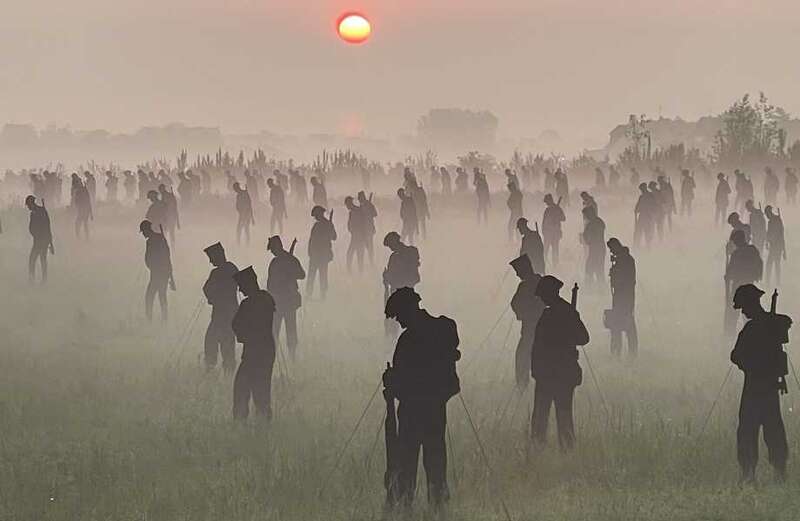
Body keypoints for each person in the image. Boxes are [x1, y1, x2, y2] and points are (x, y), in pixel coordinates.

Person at [382, 288, 460, 510]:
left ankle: (405, 508)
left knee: (406, 464)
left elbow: (405, 379)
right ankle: (438, 508)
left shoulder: (409, 339)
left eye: (399, 315)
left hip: (412, 412)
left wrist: (391, 382)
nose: (399, 321)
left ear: (409, 309)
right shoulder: (443, 328)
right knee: (435, 461)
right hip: (436, 409)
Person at [730, 284, 791, 483]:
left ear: (750, 304)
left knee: (748, 429)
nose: (743, 311)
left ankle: (749, 474)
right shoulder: (774, 324)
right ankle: (778, 472)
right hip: (770, 387)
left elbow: (736, 356)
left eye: (744, 307)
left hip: (754, 386)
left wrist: (749, 365)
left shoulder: (751, 329)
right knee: (773, 428)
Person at [531, 275, 590, 450]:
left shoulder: (562, 313)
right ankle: (553, 450)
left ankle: (552, 450)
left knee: (552, 415)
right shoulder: (564, 312)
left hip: (554, 372)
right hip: (555, 372)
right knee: (553, 415)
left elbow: (583, 338)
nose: (541, 298)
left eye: (543, 295)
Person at [231, 266, 277, 420]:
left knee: (242, 387)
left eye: (242, 287)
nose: (241, 290)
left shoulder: (248, 304)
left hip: (253, 353)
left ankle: (241, 422)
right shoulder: (267, 298)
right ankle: (263, 423)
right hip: (267, 351)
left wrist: (243, 336)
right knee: (262, 388)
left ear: (248, 284)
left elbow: (236, 324)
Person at [202, 242, 239, 373]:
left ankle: (211, 368)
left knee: (211, 341)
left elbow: (206, 288)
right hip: (232, 314)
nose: (211, 261)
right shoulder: (232, 268)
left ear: (218, 256)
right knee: (227, 344)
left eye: (212, 258)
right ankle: (228, 372)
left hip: (220, 315)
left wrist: (212, 299)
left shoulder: (216, 273)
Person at [267, 236, 306, 358]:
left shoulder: (290, 260)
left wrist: (290, 274)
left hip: (287, 301)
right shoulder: (276, 262)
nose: (272, 252)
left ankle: (292, 356)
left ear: (277, 246)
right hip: (278, 302)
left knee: (290, 330)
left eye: (272, 249)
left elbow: (302, 275)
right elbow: (269, 285)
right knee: (275, 331)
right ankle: (274, 356)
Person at [510, 255, 544, 390]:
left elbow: (515, 303)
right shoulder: (541, 281)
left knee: (522, 358)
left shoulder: (524, 285)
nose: (517, 274)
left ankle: (522, 386)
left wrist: (523, 313)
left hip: (530, 330)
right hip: (541, 330)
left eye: (518, 271)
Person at [724, 230, 763, 338]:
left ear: (738, 240)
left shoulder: (737, 254)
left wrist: (728, 277)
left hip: (738, 287)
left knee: (733, 314)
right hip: (750, 286)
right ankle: (751, 336)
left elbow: (730, 273)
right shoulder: (752, 250)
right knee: (750, 314)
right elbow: (759, 266)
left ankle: (730, 336)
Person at [382, 232, 421, 336]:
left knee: (406, 322)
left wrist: (388, 278)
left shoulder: (409, 253)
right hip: (400, 293)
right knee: (396, 323)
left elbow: (412, 275)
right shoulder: (407, 253)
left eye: (390, 245)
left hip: (404, 294)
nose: (390, 248)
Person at [606, 238, 638, 357]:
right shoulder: (623, 259)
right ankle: (617, 351)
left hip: (625, 297)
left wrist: (614, 271)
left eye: (612, 249)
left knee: (627, 324)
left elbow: (624, 279)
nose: (611, 252)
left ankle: (629, 352)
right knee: (618, 323)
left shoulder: (626, 260)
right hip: (620, 296)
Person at [140, 220, 174, 322]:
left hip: (158, 273)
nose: (143, 234)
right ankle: (163, 320)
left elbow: (162, 256)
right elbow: (167, 256)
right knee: (161, 296)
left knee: (150, 297)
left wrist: (152, 266)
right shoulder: (160, 238)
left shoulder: (152, 241)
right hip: (162, 272)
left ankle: (150, 320)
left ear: (147, 230)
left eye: (143, 231)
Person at [307, 206, 337, 299]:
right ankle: (311, 294)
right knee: (317, 275)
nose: (315, 217)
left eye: (316, 215)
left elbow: (334, 237)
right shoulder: (323, 225)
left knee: (319, 275)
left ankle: (319, 294)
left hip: (321, 254)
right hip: (318, 255)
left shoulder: (324, 225)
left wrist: (330, 227)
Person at [26, 195, 54, 283]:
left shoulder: (40, 211)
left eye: (28, 205)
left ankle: (38, 279)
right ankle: (36, 279)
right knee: (39, 260)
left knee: (36, 259)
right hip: (39, 240)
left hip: (42, 240)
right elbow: (32, 228)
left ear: (31, 203)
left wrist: (51, 243)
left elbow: (47, 227)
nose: (27, 207)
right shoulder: (35, 212)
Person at [581, 205, 606, 288]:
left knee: (594, 268)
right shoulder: (598, 222)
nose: (585, 217)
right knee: (596, 268)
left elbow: (592, 236)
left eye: (585, 215)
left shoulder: (594, 223)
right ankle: (598, 286)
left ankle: (592, 286)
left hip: (597, 249)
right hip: (597, 249)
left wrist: (587, 240)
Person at [542, 194, 565, 267]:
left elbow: (563, 218)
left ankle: (555, 265)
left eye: (546, 202)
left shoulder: (557, 209)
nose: (546, 203)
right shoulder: (547, 210)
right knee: (545, 250)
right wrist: (543, 231)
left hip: (555, 232)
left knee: (555, 250)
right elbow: (544, 221)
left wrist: (557, 218)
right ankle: (543, 264)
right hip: (548, 233)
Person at [345, 196, 367, 272]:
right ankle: (350, 271)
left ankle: (356, 272)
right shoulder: (353, 211)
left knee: (357, 255)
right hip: (355, 236)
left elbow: (363, 223)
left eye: (347, 204)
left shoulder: (358, 211)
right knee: (353, 254)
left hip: (359, 236)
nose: (346, 206)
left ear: (349, 203)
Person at [764, 206, 785, 285]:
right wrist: (767, 241)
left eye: (766, 214)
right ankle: (769, 282)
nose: (766, 216)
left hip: (777, 246)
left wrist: (784, 249)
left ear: (769, 212)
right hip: (773, 245)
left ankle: (776, 282)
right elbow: (768, 233)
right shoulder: (771, 221)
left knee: (775, 264)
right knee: (771, 264)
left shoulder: (776, 220)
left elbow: (781, 234)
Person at [358, 191, 378, 265]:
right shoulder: (362, 206)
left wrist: (368, 213)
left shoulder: (369, 205)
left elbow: (375, 214)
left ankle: (371, 262)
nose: (359, 200)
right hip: (363, 230)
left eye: (359, 198)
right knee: (364, 247)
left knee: (370, 247)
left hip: (369, 229)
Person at [634, 183, 656, 248]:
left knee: (647, 232)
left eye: (642, 189)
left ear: (644, 188)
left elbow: (654, 206)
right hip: (643, 216)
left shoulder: (650, 196)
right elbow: (637, 208)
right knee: (639, 232)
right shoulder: (642, 196)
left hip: (648, 216)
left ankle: (647, 246)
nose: (641, 191)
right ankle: (638, 246)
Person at [72, 173, 93, 239]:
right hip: (84, 209)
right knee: (84, 223)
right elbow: (88, 200)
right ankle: (86, 237)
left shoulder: (80, 190)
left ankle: (79, 237)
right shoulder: (83, 189)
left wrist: (91, 212)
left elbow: (86, 200)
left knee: (79, 223)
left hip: (83, 209)